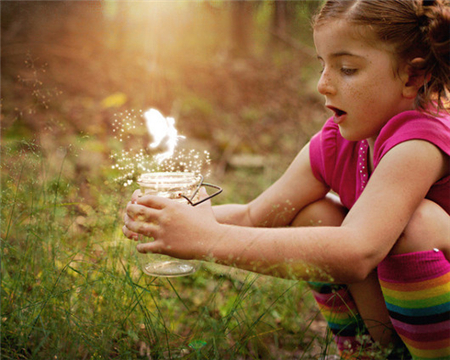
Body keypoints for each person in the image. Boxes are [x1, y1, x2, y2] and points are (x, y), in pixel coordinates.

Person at [123, 0, 450, 358]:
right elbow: (254, 216)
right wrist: (169, 218)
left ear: (412, 77)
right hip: (396, 324)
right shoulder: (336, 143)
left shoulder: (420, 140)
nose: (323, 84)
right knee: (316, 217)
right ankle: (368, 353)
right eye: (322, 65)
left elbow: (358, 251)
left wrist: (208, 239)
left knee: (416, 224)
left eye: (347, 68)